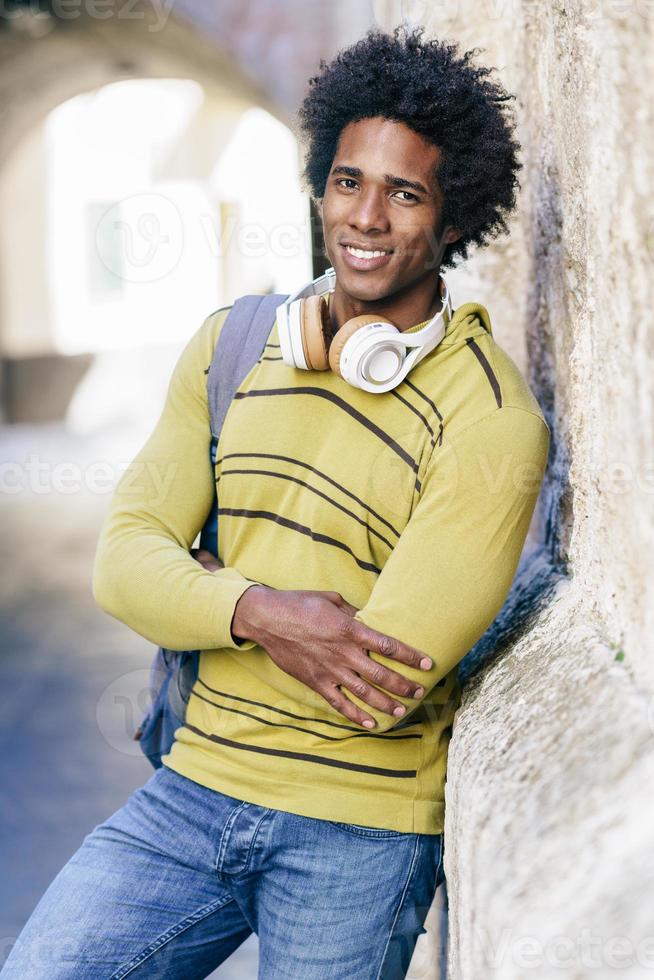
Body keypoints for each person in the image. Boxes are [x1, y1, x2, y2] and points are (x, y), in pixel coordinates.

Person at [1, 25, 550, 980]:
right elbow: (123, 562)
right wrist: (264, 612)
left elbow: (384, 681)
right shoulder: (234, 343)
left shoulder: (493, 419)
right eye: (349, 182)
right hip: (191, 793)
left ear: (453, 219)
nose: (366, 218)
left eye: (405, 192)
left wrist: (205, 588)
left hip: (360, 834)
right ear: (321, 188)